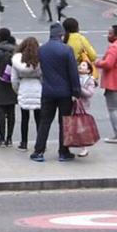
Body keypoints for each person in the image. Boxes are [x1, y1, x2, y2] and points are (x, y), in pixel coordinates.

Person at [31, 22, 79, 164]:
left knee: (44, 122)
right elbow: (73, 72)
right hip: (64, 92)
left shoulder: (42, 50)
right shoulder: (67, 50)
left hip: (47, 91)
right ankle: (63, 152)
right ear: (61, 34)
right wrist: (76, 91)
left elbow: (39, 70)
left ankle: (39, 151)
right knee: (64, 123)